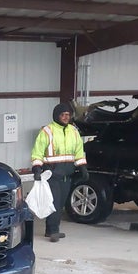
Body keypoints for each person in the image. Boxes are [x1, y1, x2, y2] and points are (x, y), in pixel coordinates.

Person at [31, 102, 88, 242]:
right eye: (63, 115)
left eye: (67, 115)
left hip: (67, 174)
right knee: (54, 203)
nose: (65, 117)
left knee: (61, 203)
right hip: (52, 174)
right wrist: (37, 169)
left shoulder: (73, 131)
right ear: (56, 116)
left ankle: (51, 229)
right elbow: (37, 152)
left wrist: (82, 167)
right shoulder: (47, 131)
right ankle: (53, 231)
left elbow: (79, 151)